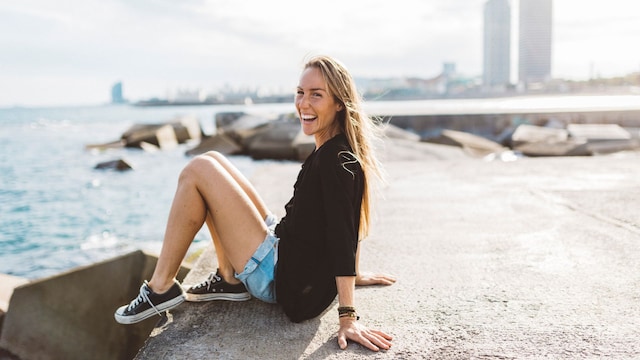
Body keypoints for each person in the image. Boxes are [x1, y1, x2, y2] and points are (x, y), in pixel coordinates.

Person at [114, 55, 396, 352]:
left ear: (339, 103)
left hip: (283, 279)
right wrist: (355, 271)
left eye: (317, 95)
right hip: (288, 252)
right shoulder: (339, 151)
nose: (303, 104)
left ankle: (160, 289)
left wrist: (348, 316)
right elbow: (350, 220)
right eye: (300, 93)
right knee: (213, 160)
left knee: (197, 169)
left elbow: (344, 232)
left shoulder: (334, 160)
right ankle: (227, 278)